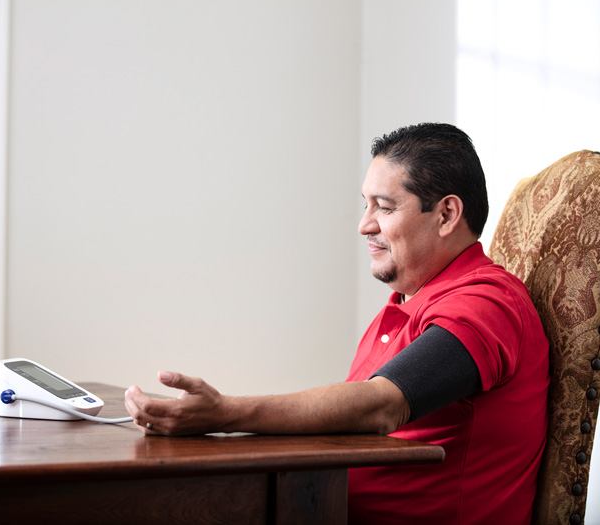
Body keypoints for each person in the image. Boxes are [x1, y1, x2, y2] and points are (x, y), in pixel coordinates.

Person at [124, 123, 549, 523]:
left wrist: (224, 413)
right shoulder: (408, 302)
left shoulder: (488, 302)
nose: (365, 225)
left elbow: (381, 405)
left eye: (383, 207)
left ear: (446, 214)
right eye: (365, 205)